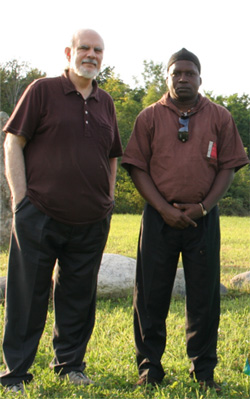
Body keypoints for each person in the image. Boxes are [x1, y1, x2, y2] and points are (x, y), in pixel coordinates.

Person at [0, 29, 122, 394]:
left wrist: (109, 201)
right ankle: (17, 373)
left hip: (91, 220)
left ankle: (70, 364)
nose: (91, 55)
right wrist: (20, 200)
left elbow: (112, 155)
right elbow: (13, 142)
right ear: (68, 52)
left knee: (79, 297)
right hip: (40, 214)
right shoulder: (43, 90)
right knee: (27, 295)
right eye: (84, 48)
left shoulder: (106, 103)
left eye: (98, 50)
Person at [122, 48, 249, 391]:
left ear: (200, 78)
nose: (182, 78)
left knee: (204, 296)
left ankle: (203, 371)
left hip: (202, 220)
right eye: (176, 72)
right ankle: (150, 369)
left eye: (189, 73)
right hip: (158, 218)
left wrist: (204, 207)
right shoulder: (148, 117)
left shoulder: (220, 117)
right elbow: (136, 167)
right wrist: (164, 208)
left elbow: (229, 166)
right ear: (167, 77)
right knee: (150, 295)